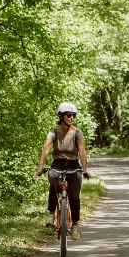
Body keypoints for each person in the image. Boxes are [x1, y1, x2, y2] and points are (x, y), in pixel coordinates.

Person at [36, 102, 89, 240]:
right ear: (61, 116)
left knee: (73, 196)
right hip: (57, 164)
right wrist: (40, 166)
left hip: (73, 165)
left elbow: (82, 151)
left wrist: (84, 169)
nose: (71, 118)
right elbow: (46, 148)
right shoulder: (53, 132)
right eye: (69, 115)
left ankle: (75, 225)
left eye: (73, 115)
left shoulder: (77, 132)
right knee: (53, 182)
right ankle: (51, 214)